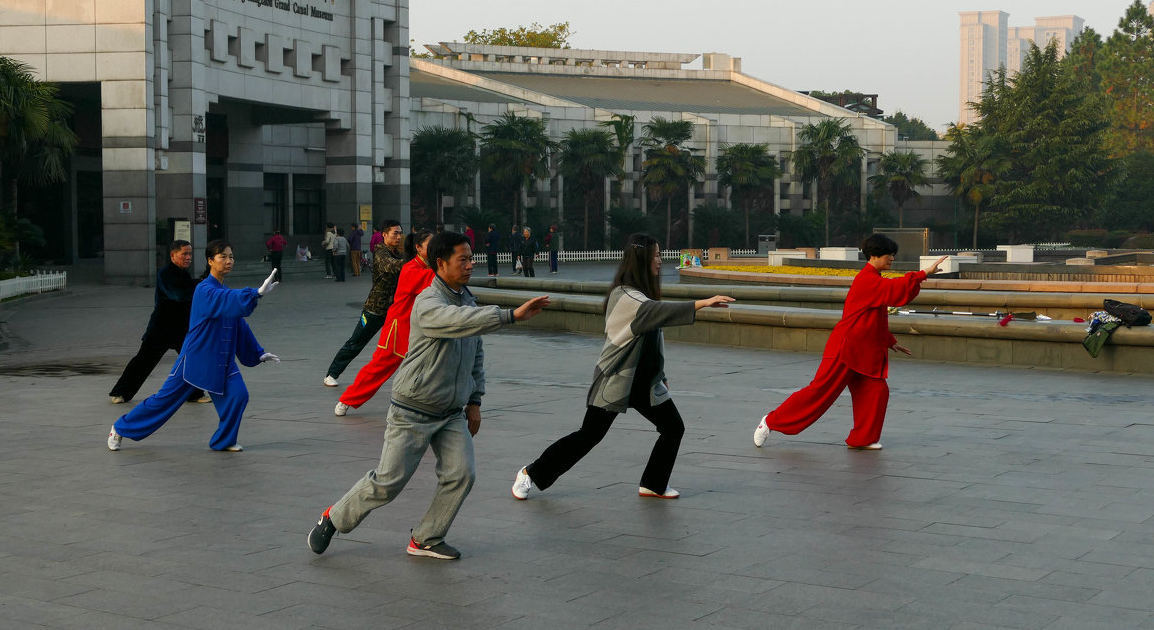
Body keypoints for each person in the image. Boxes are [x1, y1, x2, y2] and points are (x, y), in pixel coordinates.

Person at [307, 231, 550, 560]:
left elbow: (475, 355)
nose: (470, 264)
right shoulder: (428, 302)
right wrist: (509, 315)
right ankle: (333, 519)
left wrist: (475, 401)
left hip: (450, 412)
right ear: (441, 264)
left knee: (462, 474)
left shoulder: (466, 298)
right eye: (462, 259)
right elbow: (456, 322)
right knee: (388, 483)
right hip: (413, 410)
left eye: (470, 257)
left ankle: (426, 538)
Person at [511, 233, 733, 501]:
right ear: (641, 260)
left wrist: (661, 375)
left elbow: (652, 339)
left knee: (673, 428)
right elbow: (654, 312)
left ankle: (653, 483)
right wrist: (703, 303)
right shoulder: (625, 295)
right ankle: (530, 473)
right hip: (616, 379)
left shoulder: (642, 294)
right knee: (589, 436)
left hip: (645, 383)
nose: (660, 261)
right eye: (656, 256)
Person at [752, 235, 946, 451]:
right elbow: (894, 290)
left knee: (876, 391)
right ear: (874, 255)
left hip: (865, 349)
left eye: (893, 254)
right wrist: (922, 274)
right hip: (846, 347)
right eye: (888, 254)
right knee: (820, 392)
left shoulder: (875, 278)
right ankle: (770, 421)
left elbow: (875, 315)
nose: (892, 258)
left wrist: (889, 341)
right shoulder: (867, 279)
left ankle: (862, 438)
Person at [107, 241, 281, 453]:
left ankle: (223, 441)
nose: (229, 261)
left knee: (238, 395)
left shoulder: (222, 292)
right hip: (196, 359)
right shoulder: (204, 289)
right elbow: (226, 300)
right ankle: (120, 428)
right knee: (163, 401)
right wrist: (255, 293)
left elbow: (238, 324)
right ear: (210, 261)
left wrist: (258, 353)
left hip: (222, 360)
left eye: (231, 257)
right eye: (223, 257)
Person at [334, 229, 434, 416]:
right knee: (380, 367)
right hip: (399, 326)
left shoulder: (428, 266)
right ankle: (348, 399)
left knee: (432, 365)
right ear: (418, 248)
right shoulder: (411, 268)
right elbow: (435, 281)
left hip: (419, 328)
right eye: (431, 245)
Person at [108, 240, 204, 404]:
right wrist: (200, 283)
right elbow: (179, 294)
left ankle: (194, 394)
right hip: (161, 327)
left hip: (181, 327)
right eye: (185, 254)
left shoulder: (184, 274)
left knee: (190, 359)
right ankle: (120, 393)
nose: (188, 257)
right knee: (144, 360)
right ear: (173, 255)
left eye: (190, 254)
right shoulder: (165, 274)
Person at [322, 220, 404, 387]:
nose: (398, 236)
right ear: (384, 234)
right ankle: (331, 374)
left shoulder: (397, 253)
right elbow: (392, 266)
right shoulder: (381, 252)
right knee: (356, 343)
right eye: (395, 233)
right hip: (375, 309)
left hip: (394, 310)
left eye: (400, 233)